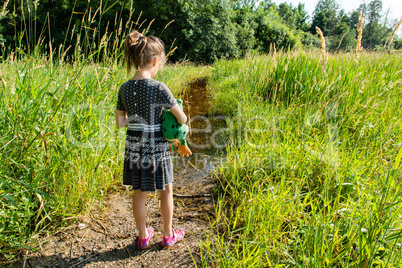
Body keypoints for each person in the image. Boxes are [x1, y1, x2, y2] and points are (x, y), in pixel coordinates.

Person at [115, 30, 186, 250]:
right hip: (157, 149)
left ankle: (144, 236)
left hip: (135, 148)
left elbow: (120, 123)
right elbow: (181, 117)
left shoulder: (124, 88)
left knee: (140, 192)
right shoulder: (159, 87)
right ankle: (167, 235)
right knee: (166, 190)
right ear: (155, 61)